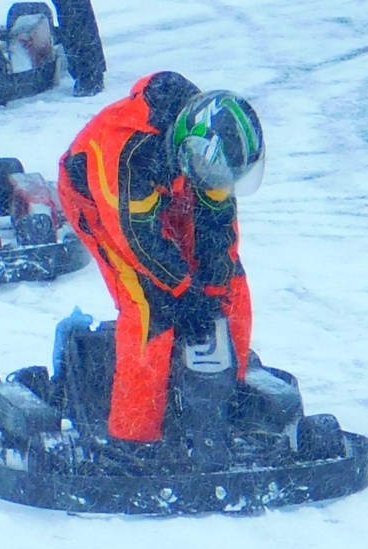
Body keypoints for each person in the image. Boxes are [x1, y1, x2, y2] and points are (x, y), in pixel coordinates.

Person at [57, 75, 264, 444]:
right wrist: (184, 290)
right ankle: (133, 435)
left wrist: (211, 293)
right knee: (151, 305)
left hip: (175, 188)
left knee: (230, 285)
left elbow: (218, 231)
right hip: (103, 207)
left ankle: (227, 400)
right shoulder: (128, 147)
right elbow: (136, 239)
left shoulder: (210, 154)